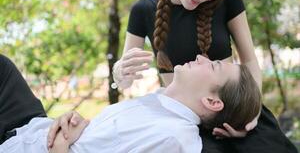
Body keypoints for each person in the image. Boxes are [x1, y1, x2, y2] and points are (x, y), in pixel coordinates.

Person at [47, 0, 298, 152]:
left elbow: (250, 59)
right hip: (186, 127)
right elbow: (124, 82)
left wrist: (250, 114)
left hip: (240, 116)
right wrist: (119, 70)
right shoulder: (144, 10)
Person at [0, 55, 262, 153]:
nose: (201, 58)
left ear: (211, 101)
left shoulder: (173, 138)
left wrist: (60, 146)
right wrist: (77, 122)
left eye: (213, 65)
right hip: (33, 127)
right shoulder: (162, 102)